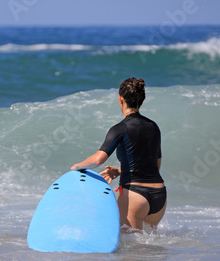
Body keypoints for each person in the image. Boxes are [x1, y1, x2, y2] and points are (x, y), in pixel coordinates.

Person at [70, 77, 166, 232]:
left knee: (132, 251)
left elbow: (99, 159)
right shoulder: (153, 127)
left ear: (121, 99)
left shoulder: (120, 128)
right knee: (148, 248)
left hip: (135, 195)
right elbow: (155, 166)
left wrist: (76, 166)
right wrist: (121, 171)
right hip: (160, 196)